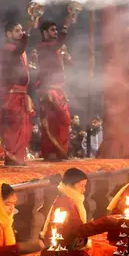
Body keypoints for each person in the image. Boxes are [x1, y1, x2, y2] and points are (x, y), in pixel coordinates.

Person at [40, 168, 118, 256]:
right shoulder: (65, 202)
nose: (84, 189)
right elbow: (78, 230)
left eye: (85, 186)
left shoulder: (71, 199)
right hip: (62, 252)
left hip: (72, 247)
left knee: (103, 251)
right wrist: (106, 222)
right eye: (81, 186)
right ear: (71, 185)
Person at [34, 14, 76, 161]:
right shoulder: (43, 47)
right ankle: (50, 152)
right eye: (53, 30)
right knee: (50, 123)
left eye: (56, 30)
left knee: (63, 121)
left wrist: (67, 58)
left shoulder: (55, 48)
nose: (56, 32)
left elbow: (69, 65)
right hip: (48, 89)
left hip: (60, 89)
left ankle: (61, 151)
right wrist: (66, 24)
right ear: (45, 33)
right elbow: (57, 44)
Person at [0, 17, 38, 166]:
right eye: (17, 31)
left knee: (23, 129)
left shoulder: (20, 52)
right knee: (12, 128)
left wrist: (31, 64)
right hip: (12, 95)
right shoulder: (7, 48)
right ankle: (12, 158)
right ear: (8, 34)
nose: (21, 33)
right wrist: (29, 27)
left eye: (22, 30)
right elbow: (18, 51)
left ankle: (18, 157)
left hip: (21, 94)